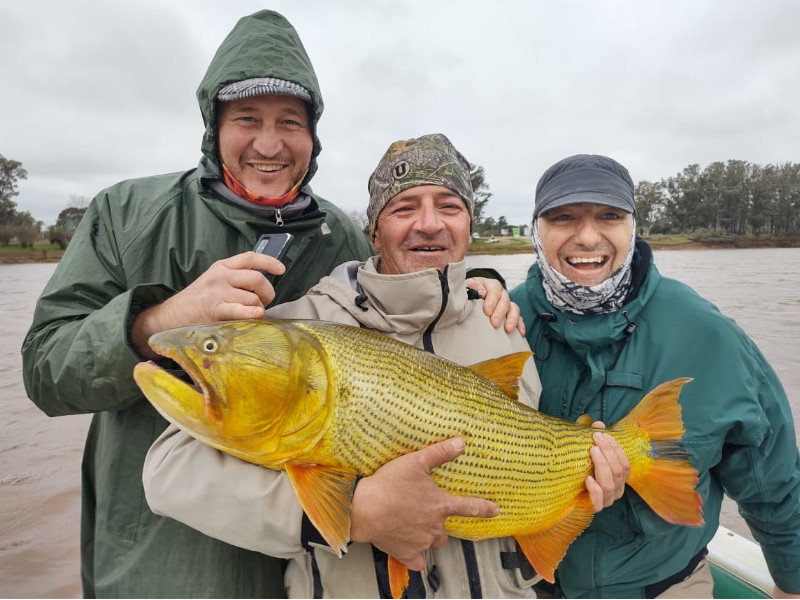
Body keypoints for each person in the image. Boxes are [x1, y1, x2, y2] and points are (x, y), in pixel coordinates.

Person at [143, 134, 631, 598]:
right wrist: (358, 512)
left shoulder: (500, 323)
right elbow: (169, 474)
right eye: (404, 207)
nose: (430, 223)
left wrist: (590, 487)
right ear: (373, 227)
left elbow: (532, 464)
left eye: (449, 206)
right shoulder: (296, 327)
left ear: (468, 223)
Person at [19, 10, 378, 598]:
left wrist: (480, 287)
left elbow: (417, 326)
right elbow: (45, 373)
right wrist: (158, 322)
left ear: (313, 135)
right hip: (161, 564)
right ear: (213, 127)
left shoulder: (344, 236)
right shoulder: (125, 213)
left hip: (316, 564)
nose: (269, 143)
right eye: (246, 119)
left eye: (290, 120)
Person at [509, 153, 800, 598]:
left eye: (609, 216)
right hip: (524, 587)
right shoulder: (499, 321)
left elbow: (770, 474)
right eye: (562, 217)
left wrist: (792, 582)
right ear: (537, 230)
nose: (587, 236)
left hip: (664, 587)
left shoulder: (709, 333)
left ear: (632, 226)